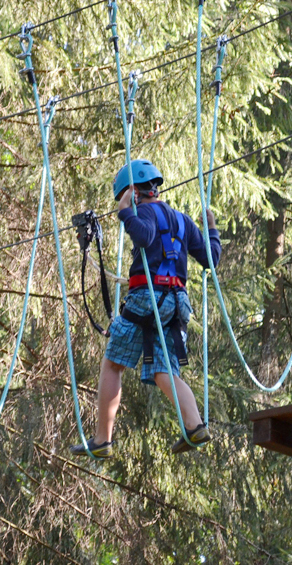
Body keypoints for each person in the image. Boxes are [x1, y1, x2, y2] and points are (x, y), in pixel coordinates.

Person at [70, 159, 221, 458]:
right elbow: (211, 259)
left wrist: (125, 212)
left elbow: (145, 235)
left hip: (149, 298)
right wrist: (212, 229)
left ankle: (103, 439)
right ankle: (194, 425)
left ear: (134, 192)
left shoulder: (144, 212)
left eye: (126, 196)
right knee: (164, 370)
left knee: (113, 363)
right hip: (176, 302)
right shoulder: (183, 220)